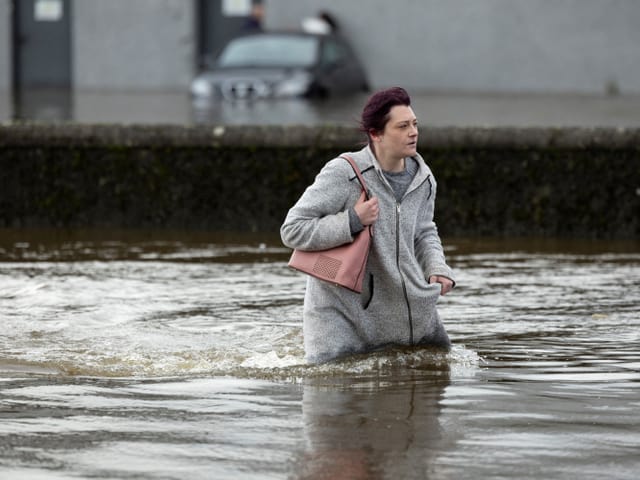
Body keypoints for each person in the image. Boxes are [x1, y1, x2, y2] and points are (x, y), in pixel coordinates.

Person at [281, 87, 456, 364]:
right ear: (376, 134)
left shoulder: (424, 178)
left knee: (434, 377)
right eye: (402, 126)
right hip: (340, 315)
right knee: (336, 394)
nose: (413, 132)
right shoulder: (344, 172)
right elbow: (292, 230)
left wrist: (437, 268)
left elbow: (424, 231)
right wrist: (352, 220)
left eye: (414, 124)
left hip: (404, 311)